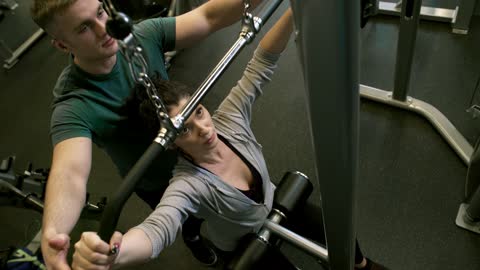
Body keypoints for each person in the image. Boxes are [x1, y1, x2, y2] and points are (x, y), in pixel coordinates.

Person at [71, 9, 389, 270]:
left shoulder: (229, 118)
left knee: (342, 235)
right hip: (241, 240)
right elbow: (158, 229)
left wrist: (297, 8)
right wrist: (114, 252)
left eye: (198, 112)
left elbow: (261, 61)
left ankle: (361, 267)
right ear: (170, 143)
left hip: (273, 201)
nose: (204, 128)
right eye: (184, 129)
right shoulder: (187, 184)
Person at [30, 0, 262, 269]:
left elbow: (209, 17)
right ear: (62, 45)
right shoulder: (73, 104)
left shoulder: (143, 35)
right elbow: (69, 173)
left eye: (101, 13)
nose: (104, 29)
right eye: (84, 28)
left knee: (233, 204)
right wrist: (53, 233)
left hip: (199, 152)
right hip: (158, 182)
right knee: (185, 223)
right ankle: (193, 237)